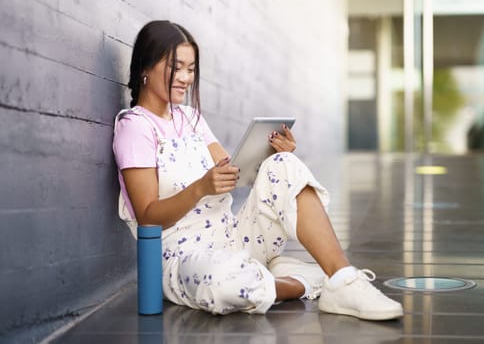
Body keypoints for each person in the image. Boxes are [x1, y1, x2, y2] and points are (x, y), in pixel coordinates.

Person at [113, 20, 403, 320]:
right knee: (227, 285)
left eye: (192, 68)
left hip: (232, 236)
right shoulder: (134, 128)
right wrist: (200, 189)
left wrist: (274, 157)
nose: (186, 77)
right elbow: (147, 217)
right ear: (145, 67)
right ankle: (306, 281)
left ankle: (344, 279)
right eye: (177, 67)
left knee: (284, 165)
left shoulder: (190, 118)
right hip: (183, 258)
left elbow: (234, 172)